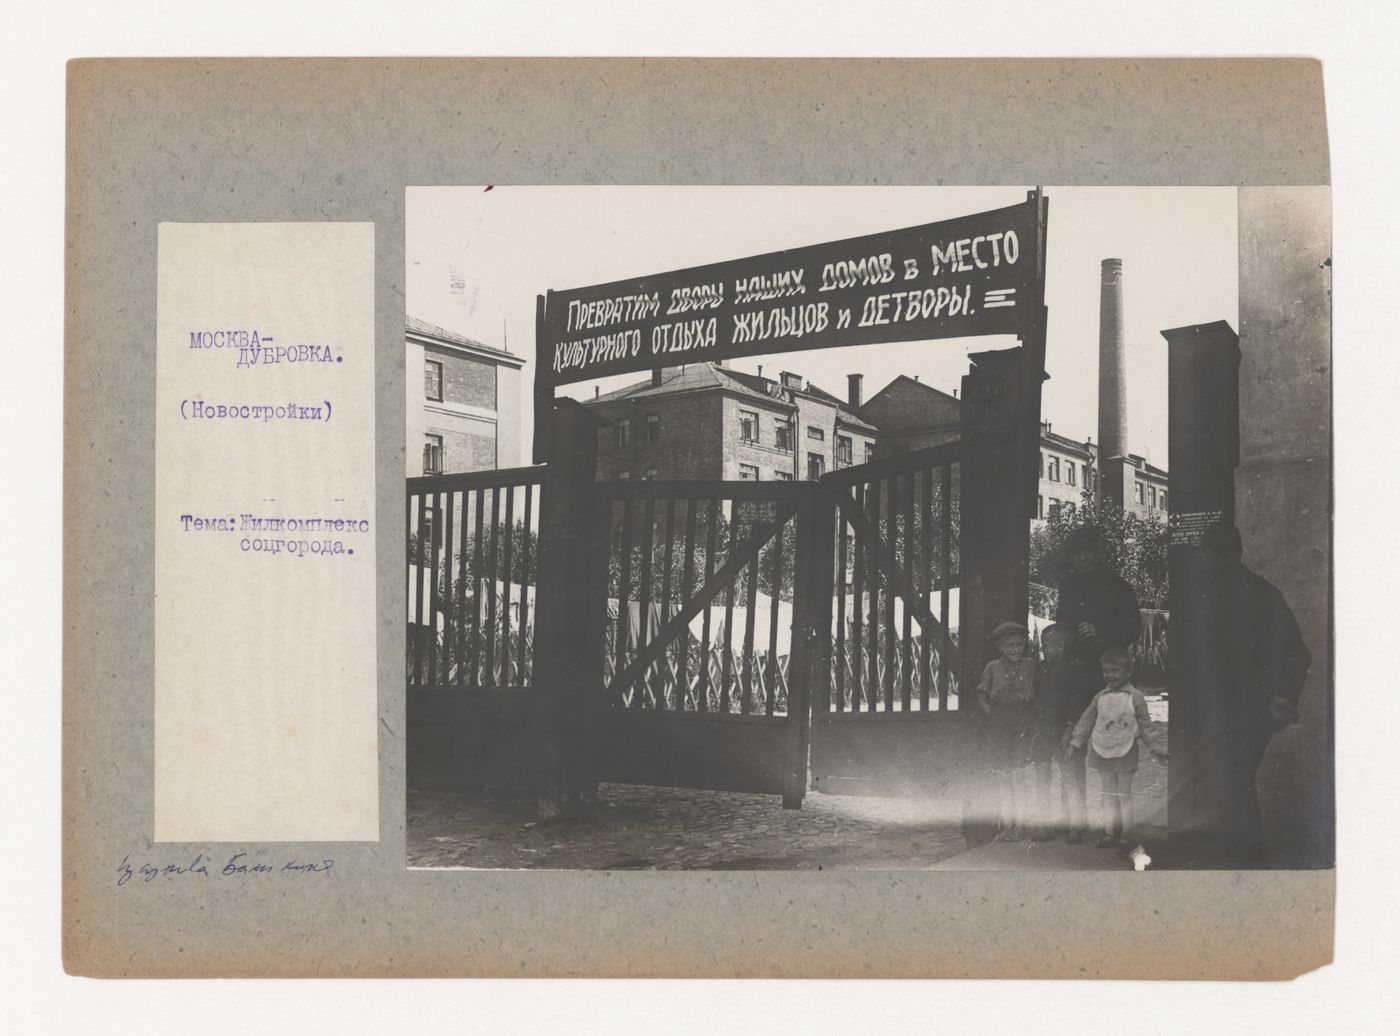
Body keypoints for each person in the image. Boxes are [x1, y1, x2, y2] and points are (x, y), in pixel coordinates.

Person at [1196, 521, 1311, 862]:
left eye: (1205, 553)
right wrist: (1283, 696)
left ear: (1209, 554)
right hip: (1245, 710)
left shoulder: (1224, 593)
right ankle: (1245, 860)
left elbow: (1295, 652)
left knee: (1233, 784)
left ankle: (1248, 863)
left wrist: (1282, 697)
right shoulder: (1261, 592)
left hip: (1242, 711)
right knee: (1234, 784)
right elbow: (1297, 651)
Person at [1068, 646, 1168, 848]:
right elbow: (1086, 720)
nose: (1110, 675)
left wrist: (1157, 748)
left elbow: (1146, 725)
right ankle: (1108, 832)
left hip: (1126, 749)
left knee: (1124, 794)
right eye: (1106, 671)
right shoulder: (1100, 697)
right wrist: (1075, 741)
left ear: (1128, 672)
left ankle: (1126, 835)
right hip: (1102, 748)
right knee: (1107, 794)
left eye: (1115, 671)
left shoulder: (1136, 697)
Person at [1028, 623, 1093, 842]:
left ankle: (1076, 826)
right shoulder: (1040, 668)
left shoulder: (1076, 668)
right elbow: (1035, 699)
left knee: (1070, 777)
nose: (1043, 650)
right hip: (1042, 730)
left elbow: (1078, 701)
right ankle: (1045, 825)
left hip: (1066, 731)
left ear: (1061, 646)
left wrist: (1070, 729)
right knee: (1042, 777)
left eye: (1046, 646)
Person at [1055, 525, 1142, 676]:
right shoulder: (1066, 585)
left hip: (1108, 671)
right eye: (1077, 553)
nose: (1083, 558)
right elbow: (1061, 622)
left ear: (1097, 554)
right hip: (1075, 669)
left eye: (1088, 552)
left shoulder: (1117, 585)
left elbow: (1133, 629)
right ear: (1071, 557)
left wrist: (1100, 632)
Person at [976, 621, 1036, 839]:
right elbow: (982, 695)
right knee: (1003, 776)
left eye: (1019, 645)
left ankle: (1020, 825)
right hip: (999, 723)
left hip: (1022, 721)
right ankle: (1007, 825)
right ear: (1000, 647)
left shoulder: (1031, 666)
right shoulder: (992, 668)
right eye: (1009, 645)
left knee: (1018, 775)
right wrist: (992, 715)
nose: (1015, 649)